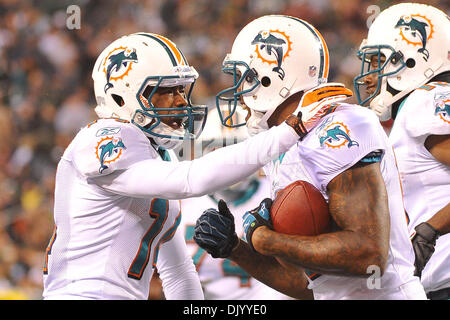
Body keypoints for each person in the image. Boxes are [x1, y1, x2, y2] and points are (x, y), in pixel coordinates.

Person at [41, 32, 317, 300]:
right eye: (165, 91)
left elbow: (178, 271)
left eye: (180, 89)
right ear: (120, 97)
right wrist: (289, 131)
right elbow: (191, 179)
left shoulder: (160, 156)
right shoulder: (101, 138)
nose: (181, 101)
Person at [193, 15, 427, 300]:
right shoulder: (284, 143)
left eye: (245, 78)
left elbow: (368, 257)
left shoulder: (339, 127)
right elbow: (309, 286)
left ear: (272, 77)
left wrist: (267, 240)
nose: (238, 92)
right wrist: (236, 249)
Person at [353, 3, 450, 300]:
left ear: (410, 60)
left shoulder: (425, 103)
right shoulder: (414, 108)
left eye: (380, 61)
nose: (369, 77)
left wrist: (431, 229)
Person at [180, 108, 291, 300]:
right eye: (218, 149)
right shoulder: (181, 202)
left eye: (239, 149)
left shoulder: (280, 195)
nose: (229, 160)